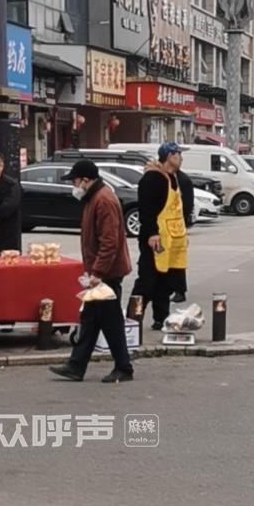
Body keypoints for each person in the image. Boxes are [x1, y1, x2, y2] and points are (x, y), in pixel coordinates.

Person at [49, 158, 133, 383]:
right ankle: (76, 366)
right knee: (90, 320)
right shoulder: (95, 197)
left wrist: (97, 273)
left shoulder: (103, 200)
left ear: (85, 180)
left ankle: (123, 367)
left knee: (110, 322)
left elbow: (109, 242)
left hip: (107, 274)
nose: (73, 186)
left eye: (75, 181)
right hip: (101, 272)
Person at [133, 141, 194, 328]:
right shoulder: (152, 178)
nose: (181, 158)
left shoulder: (174, 177)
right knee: (147, 282)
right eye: (178, 154)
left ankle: (161, 319)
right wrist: (152, 233)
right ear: (169, 157)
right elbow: (146, 210)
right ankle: (132, 319)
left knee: (165, 282)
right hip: (156, 240)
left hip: (172, 240)